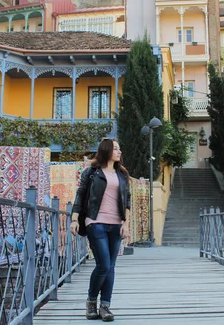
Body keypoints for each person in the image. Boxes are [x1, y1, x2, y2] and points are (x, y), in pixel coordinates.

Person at [70, 138, 131, 322]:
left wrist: (126, 224)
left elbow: (127, 200)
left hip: (116, 224)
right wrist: (74, 219)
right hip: (96, 223)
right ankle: (91, 301)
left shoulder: (122, 174)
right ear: (106, 151)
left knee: (111, 267)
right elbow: (80, 196)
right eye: (116, 148)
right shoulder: (92, 172)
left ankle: (105, 306)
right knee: (103, 265)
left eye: (119, 148)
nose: (119, 152)